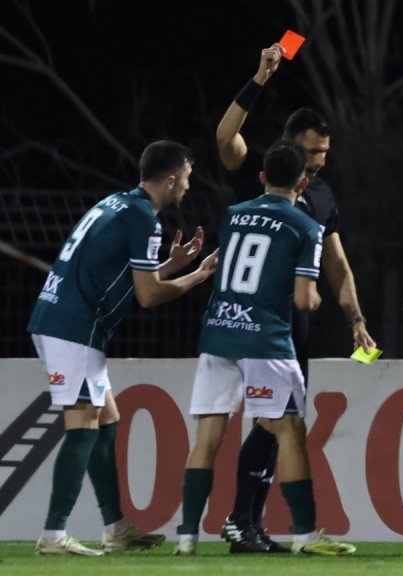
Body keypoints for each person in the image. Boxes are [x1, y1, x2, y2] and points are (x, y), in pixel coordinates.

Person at [214, 43, 375, 552]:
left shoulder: (321, 196)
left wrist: (355, 319)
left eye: (324, 154)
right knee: (279, 422)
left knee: (276, 423)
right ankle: (252, 522)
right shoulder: (267, 173)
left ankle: (246, 522)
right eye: (311, 153)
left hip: (291, 327)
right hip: (252, 321)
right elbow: (224, 138)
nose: (318, 163)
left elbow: (338, 265)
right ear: (290, 147)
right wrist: (260, 77)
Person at [27, 140, 217, 555]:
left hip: (66, 321)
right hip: (72, 328)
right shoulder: (143, 219)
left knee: (106, 420)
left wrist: (172, 266)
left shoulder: (117, 204)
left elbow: (126, 277)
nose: (189, 185)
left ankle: (115, 528)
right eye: (187, 177)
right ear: (171, 179)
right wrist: (197, 278)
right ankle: (53, 535)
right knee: (83, 422)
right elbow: (148, 296)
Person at [174, 140, 355, 557]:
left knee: (207, 436)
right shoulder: (305, 226)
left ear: (261, 177)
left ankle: (186, 537)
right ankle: (305, 534)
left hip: (219, 331)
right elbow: (305, 299)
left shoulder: (234, 214)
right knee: (289, 430)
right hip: (264, 338)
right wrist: (317, 299)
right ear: (303, 183)